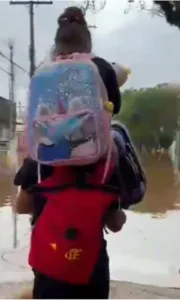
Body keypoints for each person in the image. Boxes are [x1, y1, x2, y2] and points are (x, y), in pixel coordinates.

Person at [12, 7, 132, 299]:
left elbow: (22, 207)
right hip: (90, 267)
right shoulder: (108, 160)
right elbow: (115, 225)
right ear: (87, 43)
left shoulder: (39, 159)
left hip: (48, 264)